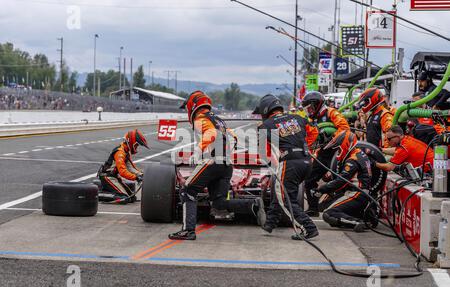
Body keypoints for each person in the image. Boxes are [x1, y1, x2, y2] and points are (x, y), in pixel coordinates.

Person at [169, 91, 263, 241]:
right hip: (226, 165)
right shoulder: (219, 120)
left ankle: (188, 230)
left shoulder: (200, 118)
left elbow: (211, 133)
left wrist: (199, 150)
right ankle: (253, 204)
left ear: (192, 106)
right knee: (218, 202)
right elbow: (234, 136)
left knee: (187, 190)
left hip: (212, 161)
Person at [254, 94, 319, 240]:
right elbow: (314, 132)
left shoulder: (266, 125)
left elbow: (264, 154)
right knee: (281, 191)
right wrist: (303, 145)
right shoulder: (298, 117)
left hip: (290, 163)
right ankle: (270, 223)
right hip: (307, 161)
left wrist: (275, 164)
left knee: (284, 198)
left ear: (265, 110)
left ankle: (308, 228)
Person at [301, 91, 350, 217]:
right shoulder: (312, 119)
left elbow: (345, 129)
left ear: (316, 104)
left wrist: (332, 136)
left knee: (338, 182)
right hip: (323, 153)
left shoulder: (331, 112)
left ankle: (339, 208)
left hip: (338, 153)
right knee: (309, 179)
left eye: (310, 108)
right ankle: (313, 208)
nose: (309, 111)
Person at [313, 131, 373, 232]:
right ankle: (365, 216)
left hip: (357, 193)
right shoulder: (358, 153)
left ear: (346, 145)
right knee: (322, 204)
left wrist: (322, 189)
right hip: (361, 193)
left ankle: (357, 222)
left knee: (328, 214)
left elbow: (341, 181)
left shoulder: (352, 160)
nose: (338, 152)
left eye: (339, 148)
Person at [97, 129, 148, 203]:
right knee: (123, 198)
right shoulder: (120, 152)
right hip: (107, 177)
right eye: (136, 145)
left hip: (115, 177)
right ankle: (98, 195)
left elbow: (131, 168)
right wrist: (136, 177)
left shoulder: (126, 151)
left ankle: (107, 191)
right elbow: (122, 172)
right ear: (131, 142)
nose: (137, 147)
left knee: (132, 197)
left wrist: (142, 175)